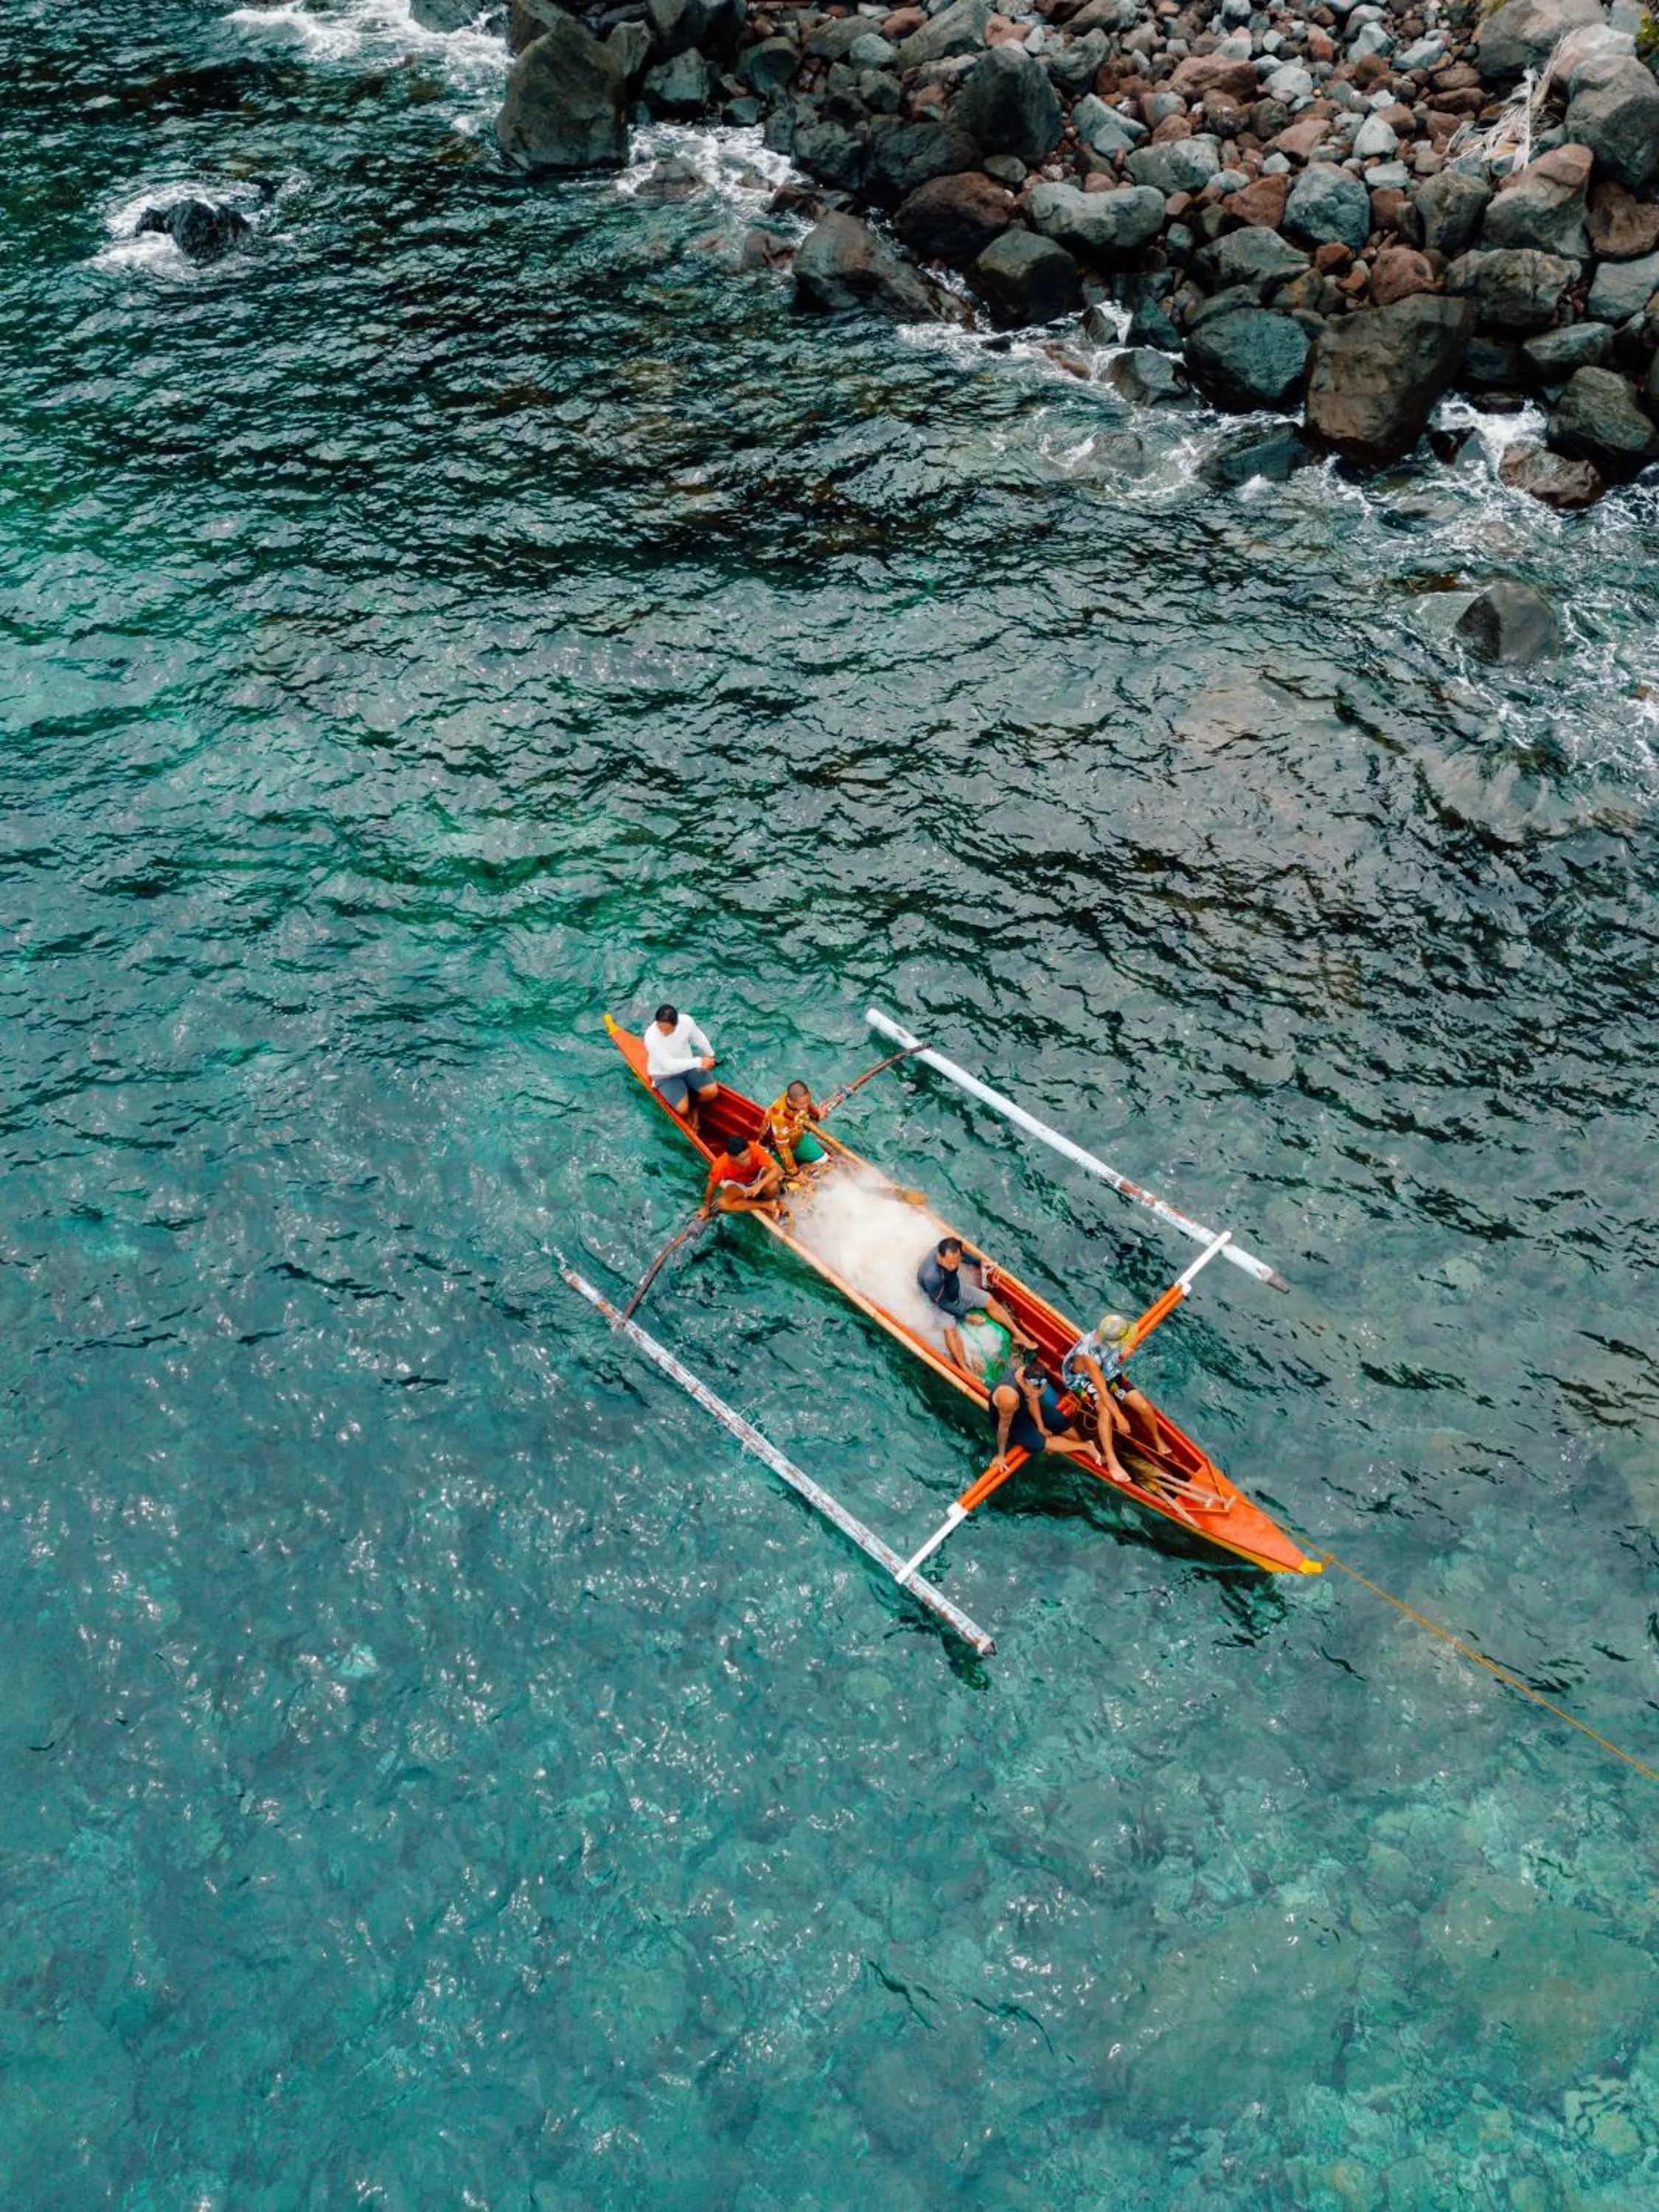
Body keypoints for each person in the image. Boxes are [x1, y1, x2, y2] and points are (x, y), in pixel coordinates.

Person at [917, 1235, 1035, 1371]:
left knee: (989, 1299)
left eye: (957, 1262)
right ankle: (964, 1367)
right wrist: (967, 1317)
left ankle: (1018, 1335)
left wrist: (979, 1263)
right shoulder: (932, 1277)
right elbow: (944, 1303)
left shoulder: (953, 1256)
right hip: (938, 1301)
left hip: (954, 1287)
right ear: (940, 1256)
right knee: (949, 1328)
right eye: (950, 1264)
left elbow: (964, 1255)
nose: (954, 1266)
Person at [1062, 1312, 1157, 1479]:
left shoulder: (1110, 1331)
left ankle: (1157, 1439)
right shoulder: (1088, 1354)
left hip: (1108, 1370)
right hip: (1082, 1379)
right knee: (1105, 1411)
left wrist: (1122, 1351)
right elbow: (1103, 1391)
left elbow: (1116, 1351)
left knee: (1142, 1406)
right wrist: (1119, 1417)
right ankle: (1112, 1461)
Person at [987, 1346, 1094, 1471]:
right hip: (1012, 1419)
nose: (1037, 1393)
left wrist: (1041, 1426)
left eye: (1040, 1390)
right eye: (1034, 1390)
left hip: (1026, 1403)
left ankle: (1086, 1453)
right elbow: (1003, 1428)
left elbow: (1033, 1399)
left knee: (1059, 1421)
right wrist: (1001, 1455)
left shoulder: (1028, 1375)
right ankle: (1086, 1447)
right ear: (1023, 1382)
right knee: (1042, 1443)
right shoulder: (1008, 1397)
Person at [645, 1004, 718, 1132]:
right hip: (665, 1075)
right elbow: (668, 1065)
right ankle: (689, 1110)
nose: (663, 1032)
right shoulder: (651, 1037)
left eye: (667, 1030)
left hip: (687, 1067)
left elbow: (699, 1038)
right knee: (683, 1109)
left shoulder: (687, 1022)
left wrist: (710, 1055)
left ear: (676, 1024)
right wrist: (700, 1061)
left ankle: (696, 1109)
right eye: (660, 1028)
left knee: (712, 1092)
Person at [700, 1131, 784, 1219]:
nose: (749, 1159)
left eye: (749, 1154)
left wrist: (759, 1185)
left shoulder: (754, 1147)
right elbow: (711, 1185)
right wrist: (706, 1206)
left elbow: (777, 1169)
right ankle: (765, 1205)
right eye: (744, 1158)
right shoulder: (721, 1165)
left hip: (758, 1174)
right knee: (722, 1204)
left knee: (772, 1188)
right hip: (740, 1183)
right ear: (732, 1159)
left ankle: (769, 1199)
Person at [766, 1079, 829, 1178]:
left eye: (807, 1102)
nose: (805, 1107)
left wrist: (817, 1114)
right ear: (790, 1101)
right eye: (801, 1105)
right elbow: (784, 1149)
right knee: (778, 1177)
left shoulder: (799, 1098)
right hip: (777, 1148)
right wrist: (795, 1173)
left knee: (824, 1160)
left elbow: (807, 1103)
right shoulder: (778, 1117)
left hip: (798, 1139)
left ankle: (806, 1167)